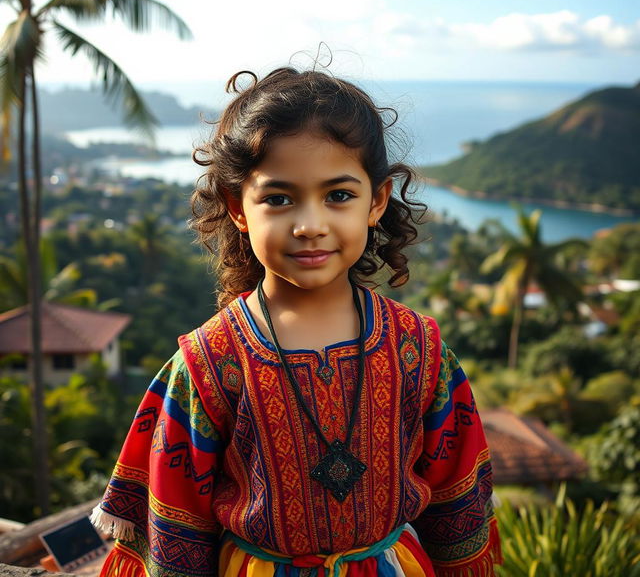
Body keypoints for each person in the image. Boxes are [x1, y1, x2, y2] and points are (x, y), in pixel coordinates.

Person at [91, 66, 502, 577]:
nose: (310, 225)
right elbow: (178, 524)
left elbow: (457, 504)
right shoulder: (212, 361)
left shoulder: (417, 348)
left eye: (339, 195)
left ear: (376, 201)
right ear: (237, 207)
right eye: (279, 199)